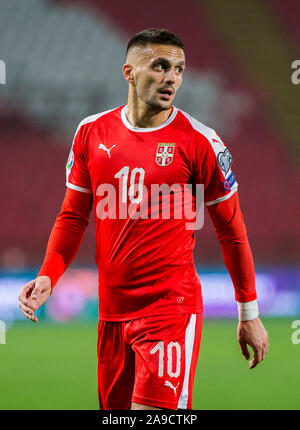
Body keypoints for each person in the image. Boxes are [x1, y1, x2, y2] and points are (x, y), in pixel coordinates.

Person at [18, 28, 268, 410]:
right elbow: (72, 217)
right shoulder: (90, 132)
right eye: (160, 66)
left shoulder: (201, 141)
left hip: (170, 309)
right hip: (111, 314)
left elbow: (231, 230)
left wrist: (248, 313)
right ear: (129, 72)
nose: (172, 78)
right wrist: (49, 274)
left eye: (179, 69)